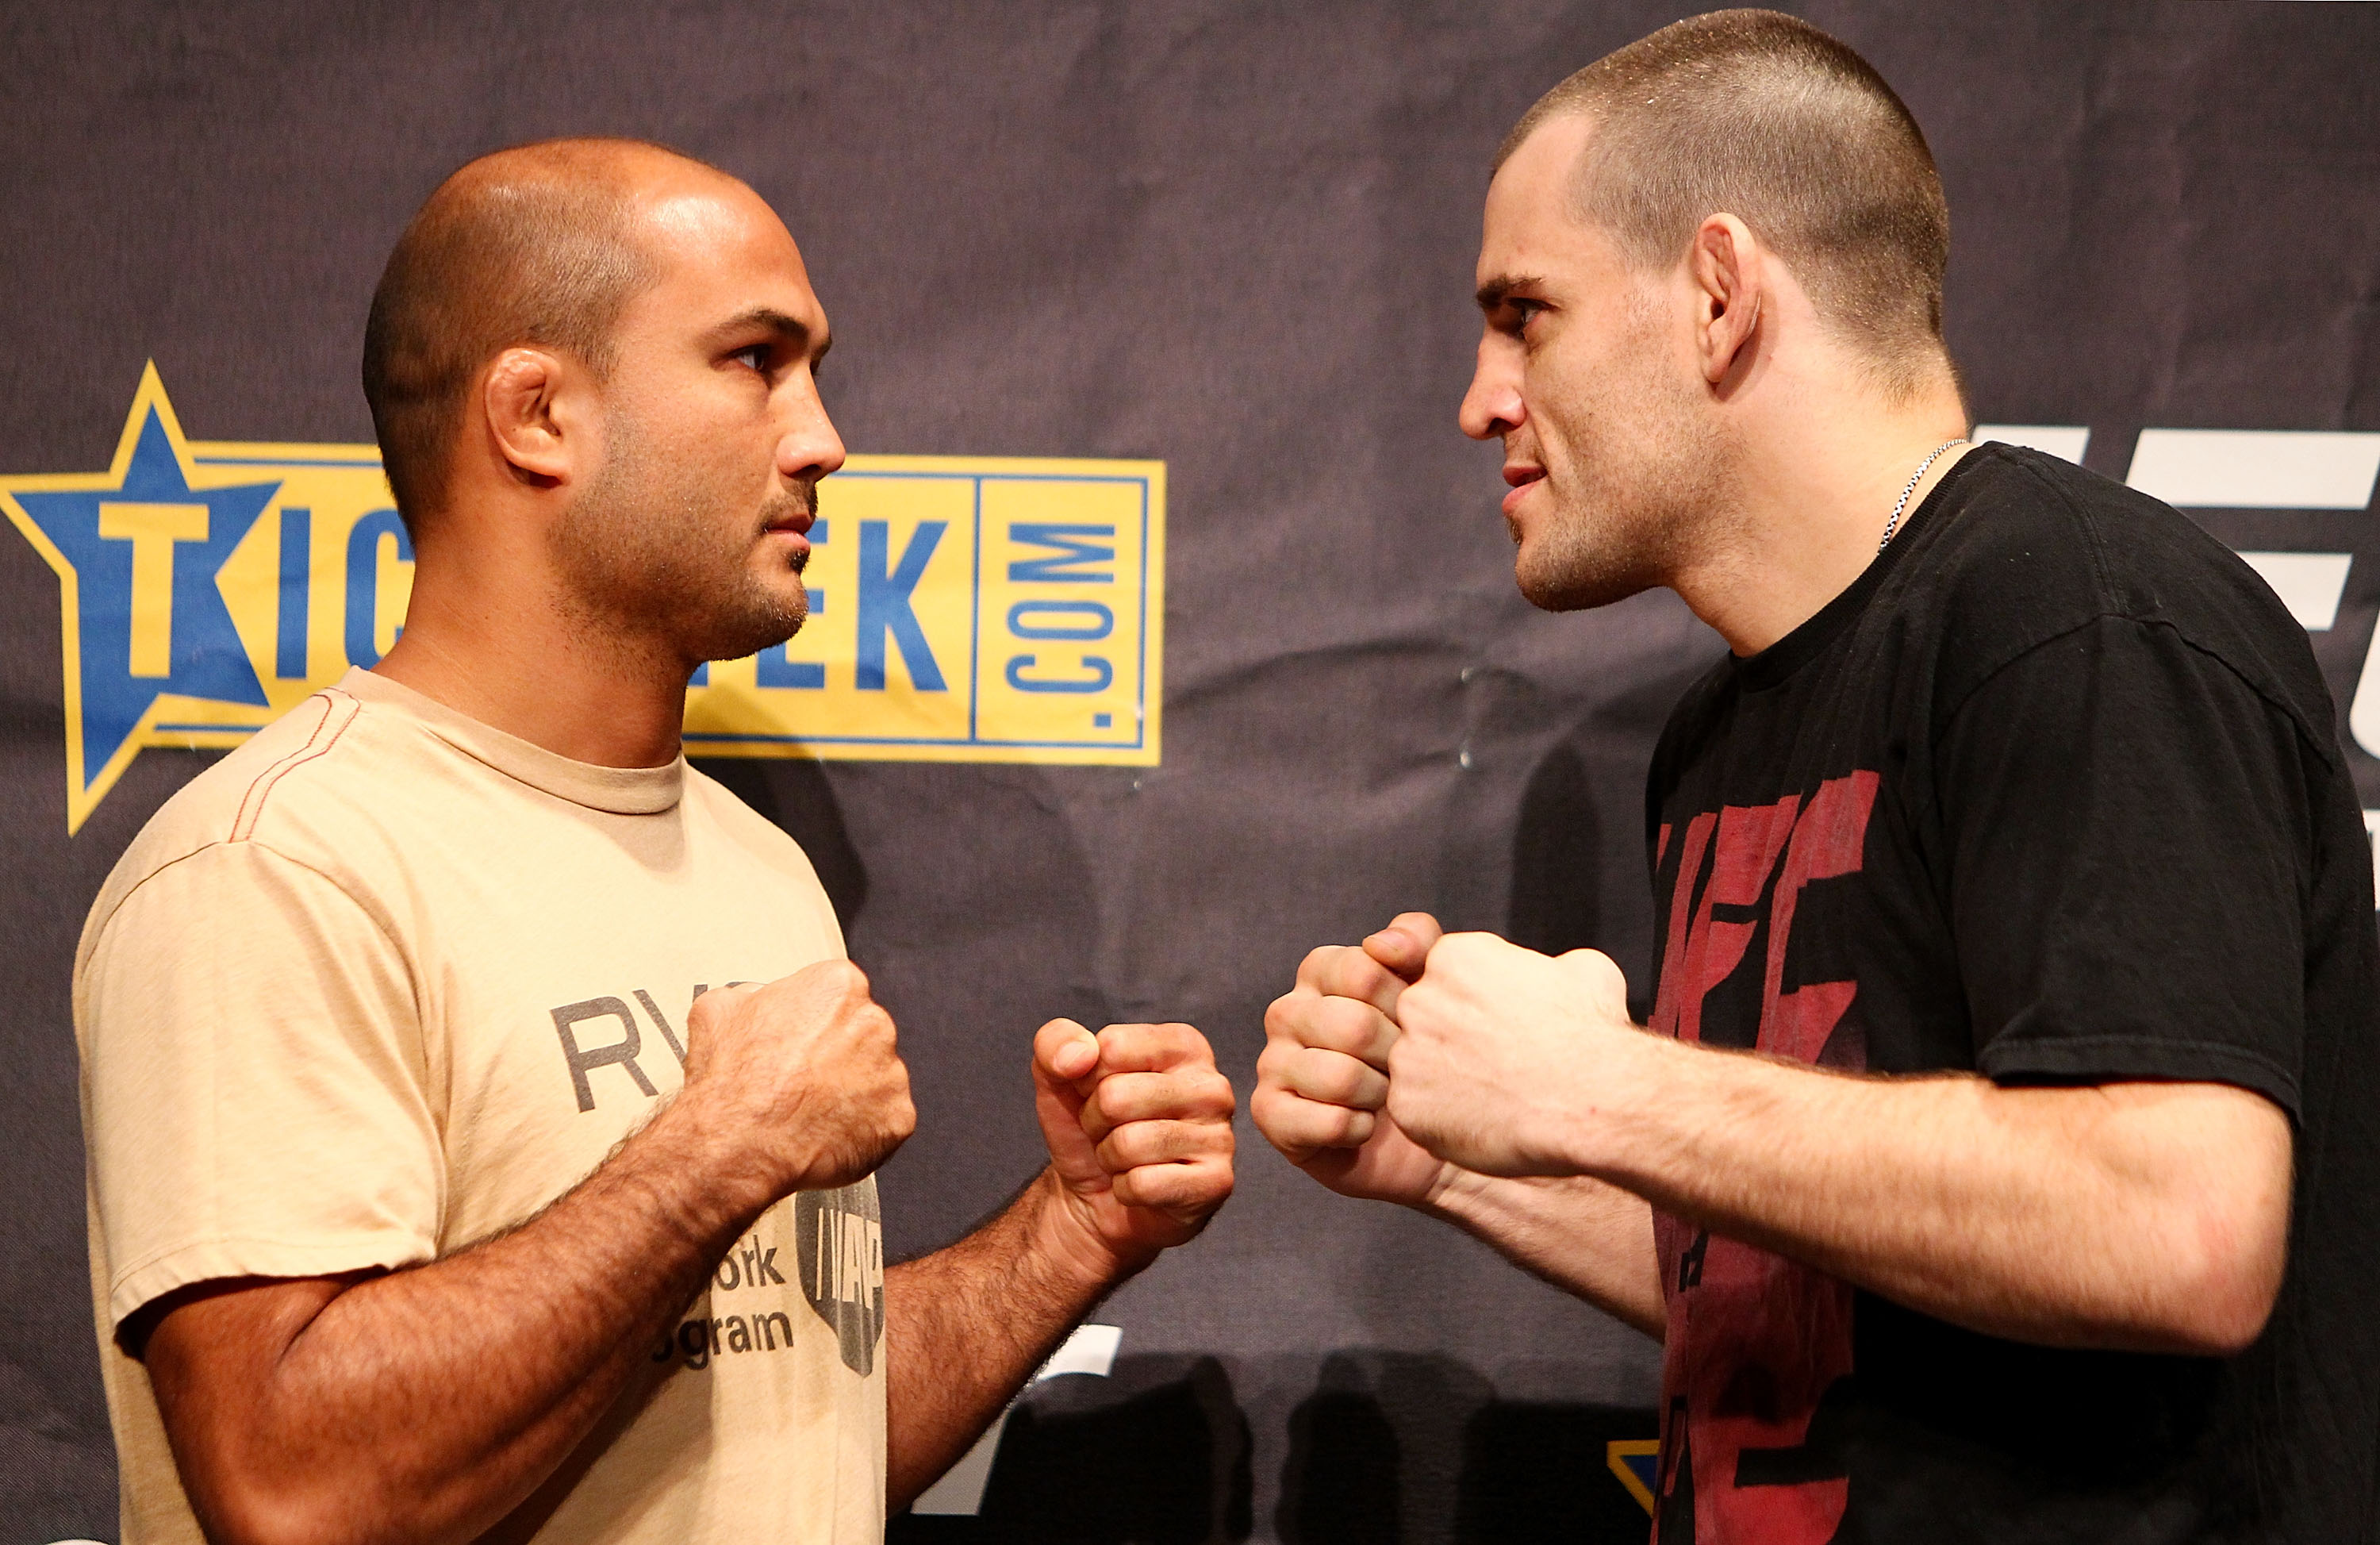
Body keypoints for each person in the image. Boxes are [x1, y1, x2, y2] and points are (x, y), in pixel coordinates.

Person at [1253, 10, 2378, 1542]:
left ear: (1718, 295)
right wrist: (1459, 1166)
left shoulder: (2072, 615)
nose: (1481, 397)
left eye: (1528, 316)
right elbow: (1826, 1290)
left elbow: (2179, 1223)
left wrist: (1604, 1085)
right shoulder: (1720, 737)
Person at [76, 138, 1237, 1545]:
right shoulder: (284, 866)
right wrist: (715, 1152)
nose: (824, 439)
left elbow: (773, 1458)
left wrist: (1071, 1229)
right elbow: (293, 1489)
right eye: (755, 360)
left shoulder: (760, 868)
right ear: (537, 414)